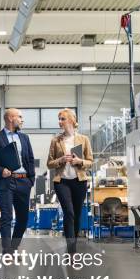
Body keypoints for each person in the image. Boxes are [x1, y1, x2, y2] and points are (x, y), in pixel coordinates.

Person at [0, 108, 35, 253]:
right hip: (5, 182)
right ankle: (7, 250)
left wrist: (31, 180)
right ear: (11, 118)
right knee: (7, 217)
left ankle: (13, 247)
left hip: (24, 182)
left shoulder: (24, 138)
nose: (22, 120)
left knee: (23, 219)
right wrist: (0, 170)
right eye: (20, 117)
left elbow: (29, 159)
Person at [46, 108, 93, 255]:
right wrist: (60, 160)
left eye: (62, 119)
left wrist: (79, 161)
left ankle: (74, 243)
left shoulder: (84, 139)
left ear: (71, 120)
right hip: (62, 182)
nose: (60, 122)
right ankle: (71, 250)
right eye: (59, 119)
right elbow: (49, 163)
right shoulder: (56, 141)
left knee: (77, 214)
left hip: (79, 181)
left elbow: (90, 161)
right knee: (69, 213)